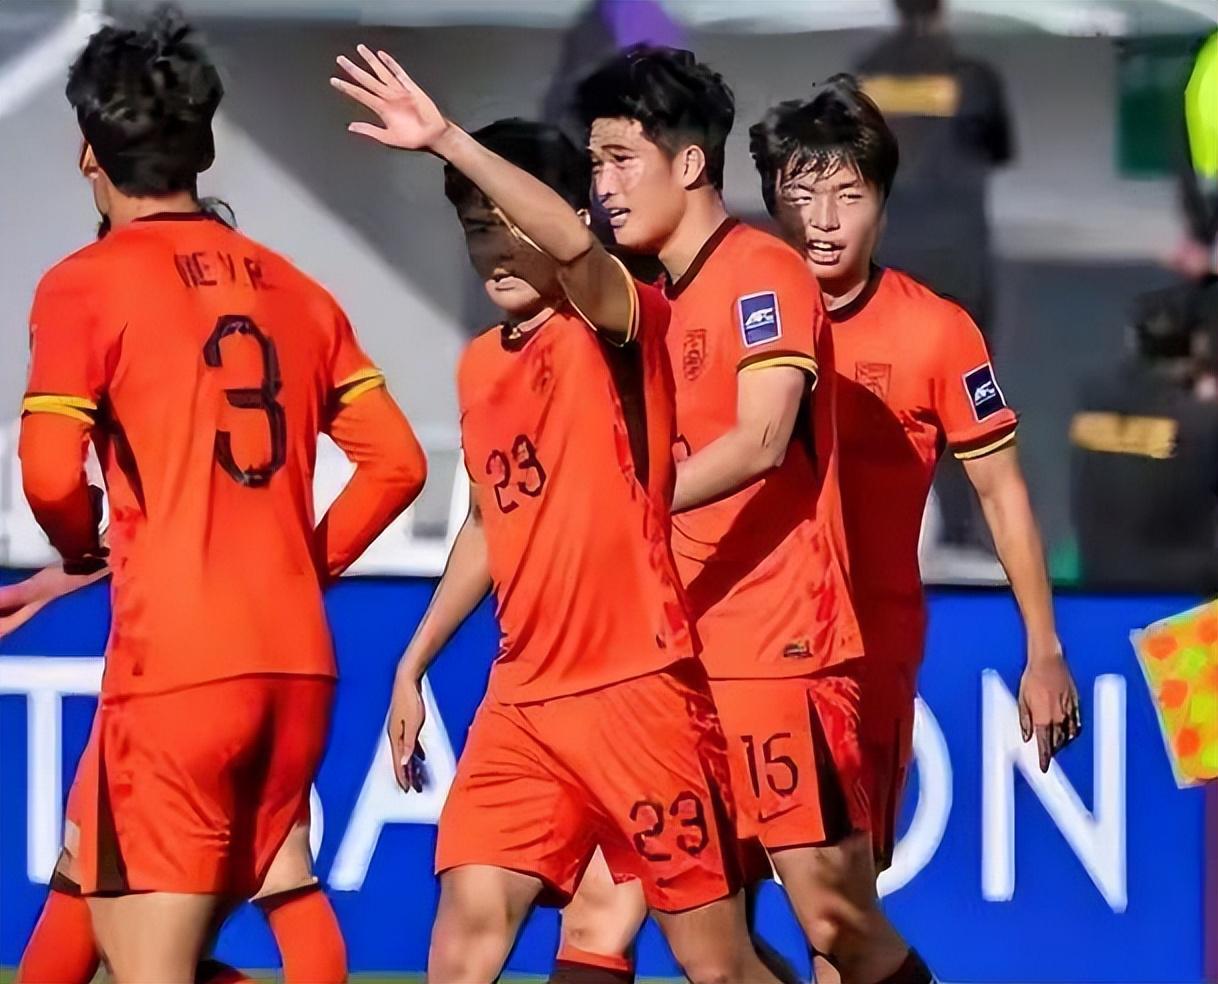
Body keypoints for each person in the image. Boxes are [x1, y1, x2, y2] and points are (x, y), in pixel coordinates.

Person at [332, 48, 781, 984]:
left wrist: (448, 138)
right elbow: (490, 524)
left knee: (714, 961)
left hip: (638, 689)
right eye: (474, 230)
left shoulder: (616, 323)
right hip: (523, 698)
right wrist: (414, 661)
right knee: (467, 925)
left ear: (566, 216)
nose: (493, 251)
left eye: (507, 226)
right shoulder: (478, 367)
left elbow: (578, 254)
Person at [19, 13, 425, 980]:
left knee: (148, 967)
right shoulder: (300, 292)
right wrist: (294, 570)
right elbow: (399, 464)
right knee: (80, 917)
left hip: (176, 672)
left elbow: (48, 474)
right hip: (296, 670)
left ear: (88, 153)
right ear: (204, 149)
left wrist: (81, 549)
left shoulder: (84, 285)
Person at [553, 44, 898, 984]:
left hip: (778, 652)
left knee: (834, 923)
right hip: (676, 659)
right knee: (623, 913)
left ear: (690, 163)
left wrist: (620, 508)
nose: (602, 185)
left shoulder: (762, 273)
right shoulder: (649, 301)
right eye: (594, 163)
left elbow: (762, 438)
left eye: (620, 159)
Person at [747, 75, 1081, 981]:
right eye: (802, 193)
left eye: (847, 195)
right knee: (701, 919)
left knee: (839, 926)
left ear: (883, 204)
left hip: (863, 656)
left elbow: (1003, 494)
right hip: (733, 648)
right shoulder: (734, 312)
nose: (823, 220)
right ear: (772, 197)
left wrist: (1044, 650)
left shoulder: (936, 332)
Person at [854, 0, 1015, 550]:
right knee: (963, 395)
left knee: (883, 390)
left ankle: (883, 527)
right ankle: (959, 533)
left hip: (887, 252)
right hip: (957, 257)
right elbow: (1000, 149)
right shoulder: (972, 76)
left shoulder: (866, 73)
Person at [1070, 281, 1218, 591]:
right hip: (1184, 593)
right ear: (1198, 344)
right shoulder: (1202, 423)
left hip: (1099, 577)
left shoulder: (1092, 399)